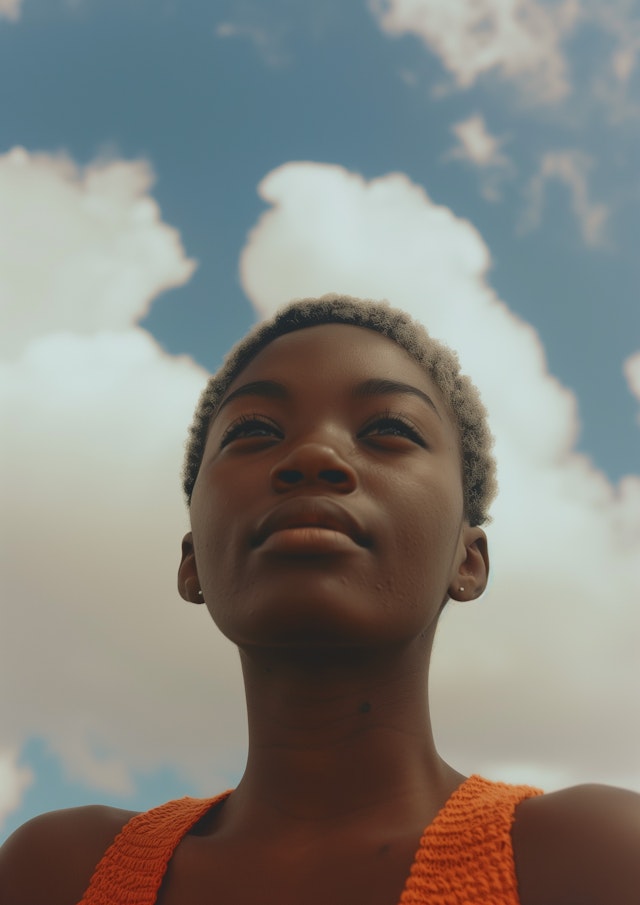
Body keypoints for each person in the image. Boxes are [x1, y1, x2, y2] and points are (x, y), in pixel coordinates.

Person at [1, 294, 638, 905]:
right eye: (253, 431)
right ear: (192, 561)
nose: (314, 454)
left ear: (466, 559)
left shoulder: (596, 858)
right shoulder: (57, 873)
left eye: (389, 429)